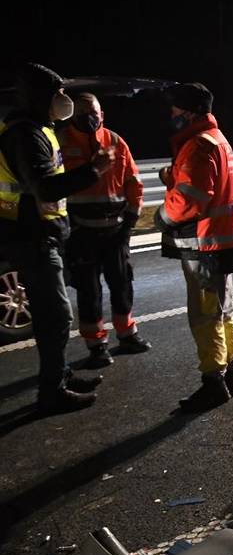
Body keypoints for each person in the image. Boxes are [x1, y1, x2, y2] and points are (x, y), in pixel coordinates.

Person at [0, 64, 113, 413]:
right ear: (39, 97)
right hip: (31, 237)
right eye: (57, 93)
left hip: (41, 233)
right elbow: (44, 186)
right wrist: (94, 170)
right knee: (56, 317)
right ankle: (52, 392)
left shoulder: (40, 129)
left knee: (55, 313)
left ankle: (60, 374)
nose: (64, 100)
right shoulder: (25, 135)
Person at [156, 83, 233, 413]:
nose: (171, 116)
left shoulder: (197, 144)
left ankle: (214, 381)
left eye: (175, 110)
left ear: (189, 112)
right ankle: (231, 373)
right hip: (221, 241)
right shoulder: (217, 138)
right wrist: (173, 175)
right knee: (223, 309)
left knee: (204, 314)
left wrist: (161, 216)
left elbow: (190, 200)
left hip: (203, 244)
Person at [59, 93, 152, 369]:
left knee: (122, 283)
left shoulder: (115, 141)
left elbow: (134, 182)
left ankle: (127, 334)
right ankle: (96, 345)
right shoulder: (61, 142)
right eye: (81, 112)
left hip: (115, 231)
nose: (88, 118)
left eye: (93, 112)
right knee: (88, 290)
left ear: (102, 115)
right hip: (80, 232)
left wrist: (130, 222)